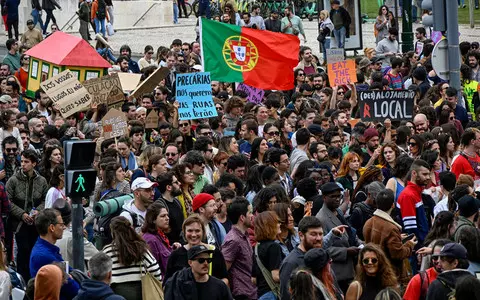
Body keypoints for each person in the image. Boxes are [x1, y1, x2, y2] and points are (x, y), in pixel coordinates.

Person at [6, 149, 48, 281]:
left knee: (35, 252)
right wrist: (22, 214)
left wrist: (38, 211)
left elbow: (45, 199)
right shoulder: (13, 180)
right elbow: (8, 201)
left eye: (27, 162)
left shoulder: (41, 181)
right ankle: (23, 282)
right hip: (19, 224)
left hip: (36, 223)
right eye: (22, 161)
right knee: (22, 253)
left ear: (34, 164)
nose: (23, 164)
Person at [363, 189, 416, 287]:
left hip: (372, 271)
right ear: (393, 205)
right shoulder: (391, 228)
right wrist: (409, 245)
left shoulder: (368, 223)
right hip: (389, 275)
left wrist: (397, 238)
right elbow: (397, 254)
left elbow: (378, 240)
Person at [316, 182, 361, 293]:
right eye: (333, 197)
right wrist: (346, 252)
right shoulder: (321, 218)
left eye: (338, 196)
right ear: (324, 198)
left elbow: (349, 232)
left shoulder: (338, 211)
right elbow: (322, 248)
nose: (336, 199)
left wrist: (360, 244)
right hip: (339, 272)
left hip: (351, 267)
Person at [103, 216, 162, 300]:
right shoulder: (141, 248)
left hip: (116, 293)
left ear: (113, 232)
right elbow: (155, 268)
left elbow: (101, 273)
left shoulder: (108, 251)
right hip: (140, 292)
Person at [29, 209, 80, 299]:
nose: (64, 227)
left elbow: (71, 272)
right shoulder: (44, 256)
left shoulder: (46, 249)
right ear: (52, 228)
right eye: (61, 224)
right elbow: (74, 289)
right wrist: (70, 277)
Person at [164, 214, 228, 284]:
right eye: (190, 231)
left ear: (203, 232)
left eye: (197, 231)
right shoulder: (175, 255)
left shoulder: (214, 252)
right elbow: (167, 283)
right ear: (184, 232)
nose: (194, 235)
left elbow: (225, 278)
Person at [165, 244, 233, 300]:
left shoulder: (220, 286)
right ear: (190, 262)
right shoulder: (178, 283)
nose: (206, 263)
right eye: (201, 260)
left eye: (208, 260)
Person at [221, 197, 257, 300]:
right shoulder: (233, 240)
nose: (252, 216)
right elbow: (223, 269)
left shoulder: (244, 235)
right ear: (242, 217)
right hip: (241, 295)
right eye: (250, 213)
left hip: (250, 292)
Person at [397, 159, 430, 247]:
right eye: (424, 174)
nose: (428, 177)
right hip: (415, 249)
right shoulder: (408, 196)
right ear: (414, 173)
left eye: (428, 174)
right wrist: (419, 248)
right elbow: (410, 230)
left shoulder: (416, 192)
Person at [142, 202, 180, 277]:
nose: (167, 218)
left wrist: (173, 249)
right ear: (153, 219)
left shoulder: (161, 236)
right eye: (163, 216)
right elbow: (154, 269)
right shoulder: (150, 240)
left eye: (167, 215)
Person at [253, 211, 284, 300]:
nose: (280, 224)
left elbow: (253, 279)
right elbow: (276, 276)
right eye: (277, 222)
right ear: (270, 225)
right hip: (272, 294)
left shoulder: (256, 247)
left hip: (261, 295)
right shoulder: (274, 247)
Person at [155, 172, 184, 243]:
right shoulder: (160, 205)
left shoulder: (177, 202)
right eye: (176, 182)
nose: (180, 183)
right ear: (168, 187)